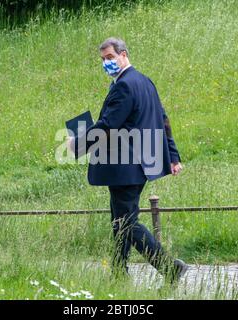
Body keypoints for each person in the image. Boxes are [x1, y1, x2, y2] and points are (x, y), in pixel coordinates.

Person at [68, 37, 188, 285]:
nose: (106, 63)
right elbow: (163, 119)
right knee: (119, 221)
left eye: (110, 57)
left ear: (124, 54)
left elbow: (108, 125)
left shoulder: (123, 86)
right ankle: (119, 274)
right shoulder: (145, 81)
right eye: (102, 60)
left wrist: (77, 144)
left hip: (125, 166)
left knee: (127, 223)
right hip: (139, 166)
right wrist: (173, 156)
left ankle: (170, 268)